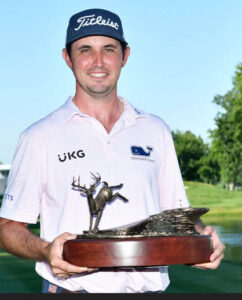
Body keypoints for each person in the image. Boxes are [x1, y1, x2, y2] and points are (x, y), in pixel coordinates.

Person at [0, 8, 225, 294]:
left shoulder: (155, 130)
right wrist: (46, 250)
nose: (98, 61)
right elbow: (8, 227)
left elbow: (177, 214)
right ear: (67, 58)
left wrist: (202, 238)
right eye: (85, 50)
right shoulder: (39, 136)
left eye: (108, 49)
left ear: (125, 56)